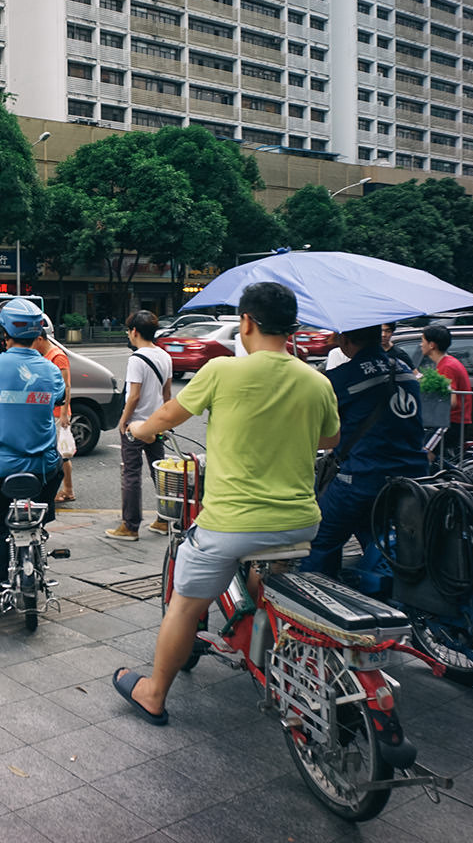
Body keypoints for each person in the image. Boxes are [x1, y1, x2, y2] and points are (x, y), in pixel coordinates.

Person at [112, 283, 339, 725]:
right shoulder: (317, 381)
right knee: (268, 575)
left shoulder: (222, 372)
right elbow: (330, 437)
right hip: (301, 523)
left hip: (232, 524)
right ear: (292, 328)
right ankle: (263, 632)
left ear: (247, 322)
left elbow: (165, 417)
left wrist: (138, 433)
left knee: (185, 604)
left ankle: (154, 694)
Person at [302, 325, 428, 577]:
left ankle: (318, 605)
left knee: (320, 539)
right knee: (374, 536)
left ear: (345, 341)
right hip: (412, 477)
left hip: (361, 479)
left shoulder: (341, 377)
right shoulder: (404, 371)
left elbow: (320, 427)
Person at [0, 299, 67, 607]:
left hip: (3, 466)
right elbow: (59, 396)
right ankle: (36, 536)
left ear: (6, 332)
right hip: (46, 466)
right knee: (41, 513)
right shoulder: (50, 369)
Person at [106, 310, 174, 540]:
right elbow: (167, 393)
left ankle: (130, 526)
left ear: (134, 331)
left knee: (131, 474)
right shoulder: (165, 356)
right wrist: (166, 421)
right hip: (157, 424)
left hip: (136, 427)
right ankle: (165, 520)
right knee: (160, 472)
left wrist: (123, 421)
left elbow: (133, 396)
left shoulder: (136, 359)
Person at [32, 324, 76, 503]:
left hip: (59, 412)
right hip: (51, 410)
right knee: (56, 452)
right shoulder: (46, 355)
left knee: (62, 454)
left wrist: (64, 413)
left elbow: (66, 386)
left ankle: (68, 490)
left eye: (34, 342)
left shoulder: (57, 356)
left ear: (41, 339)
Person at [420, 324, 472, 445]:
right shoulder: (447, 363)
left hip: (450, 423)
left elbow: (451, 401)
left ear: (432, 345)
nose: (421, 344)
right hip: (451, 421)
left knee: (425, 454)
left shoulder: (447, 366)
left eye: (422, 340)